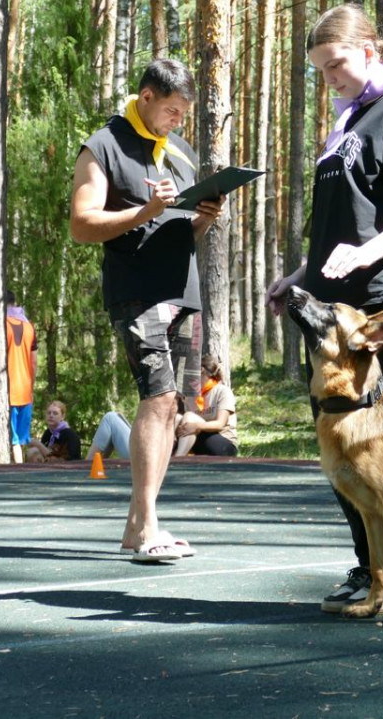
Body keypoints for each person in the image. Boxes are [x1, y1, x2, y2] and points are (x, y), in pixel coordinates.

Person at [265, 4, 383, 613]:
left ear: (368, 49)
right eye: (319, 70)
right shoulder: (349, 118)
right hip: (329, 301)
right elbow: (343, 220)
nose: (329, 79)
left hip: (376, 306)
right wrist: (298, 277)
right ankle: (372, 572)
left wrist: (366, 254)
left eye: (336, 64)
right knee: (339, 449)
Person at [70, 57, 225, 563]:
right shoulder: (103, 145)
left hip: (185, 292)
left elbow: (180, 232)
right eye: (173, 111)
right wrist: (144, 211)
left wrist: (203, 218)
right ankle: (149, 525)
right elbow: (81, 224)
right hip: (137, 293)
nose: (179, 121)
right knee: (156, 400)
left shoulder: (179, 151)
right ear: (146, 97)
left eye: (185, 113)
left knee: (176, 409)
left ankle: (139, 526)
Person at [174, 354, 239, 456]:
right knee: (177, 419)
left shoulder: (222, 391)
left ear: (201, 371)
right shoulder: (190, 396)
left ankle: (178, 459)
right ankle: (167, 459)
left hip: (223, 444)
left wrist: (197, 426)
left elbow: (220, 424)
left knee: (189, 416)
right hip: (199, 439)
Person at [5, 290, 37, 464]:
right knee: (22, 439)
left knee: (14, 440)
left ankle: (19, 472)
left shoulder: (0, 325)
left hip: (8, 390)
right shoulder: (29, 327)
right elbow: (34, 362)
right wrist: (31, 385)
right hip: (25, 389)